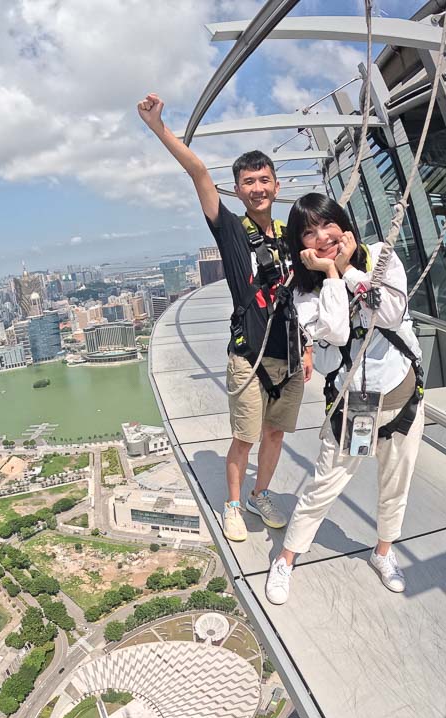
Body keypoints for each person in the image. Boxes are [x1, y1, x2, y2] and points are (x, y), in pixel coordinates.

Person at [137, 93, 312, 544]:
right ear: (237, 190)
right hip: (249, 357)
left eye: (264, 180)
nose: (257, 187)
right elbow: (198, 172)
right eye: (248, 181)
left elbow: (303, 297)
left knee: (275, 436)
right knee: (246, 438)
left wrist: (308, 348)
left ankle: (260, 493)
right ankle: (233, 506)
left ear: (276, 186)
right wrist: (159, 127)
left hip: (289, 359)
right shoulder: (232, 230)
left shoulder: (291, 235)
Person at [264, 193, 426, 605]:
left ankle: (384, 552)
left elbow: (389, 312)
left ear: (343, 223)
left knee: (396, 483)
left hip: (402, 394)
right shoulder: (304, 292)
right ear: (299, 244)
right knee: (324, 485)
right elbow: (335, 332)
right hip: (353, 405)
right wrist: (332, 275)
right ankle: (286, 559)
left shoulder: (380, 257)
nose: (322, 237)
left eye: (327, 224)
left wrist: (351, 270)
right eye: (309, 232)